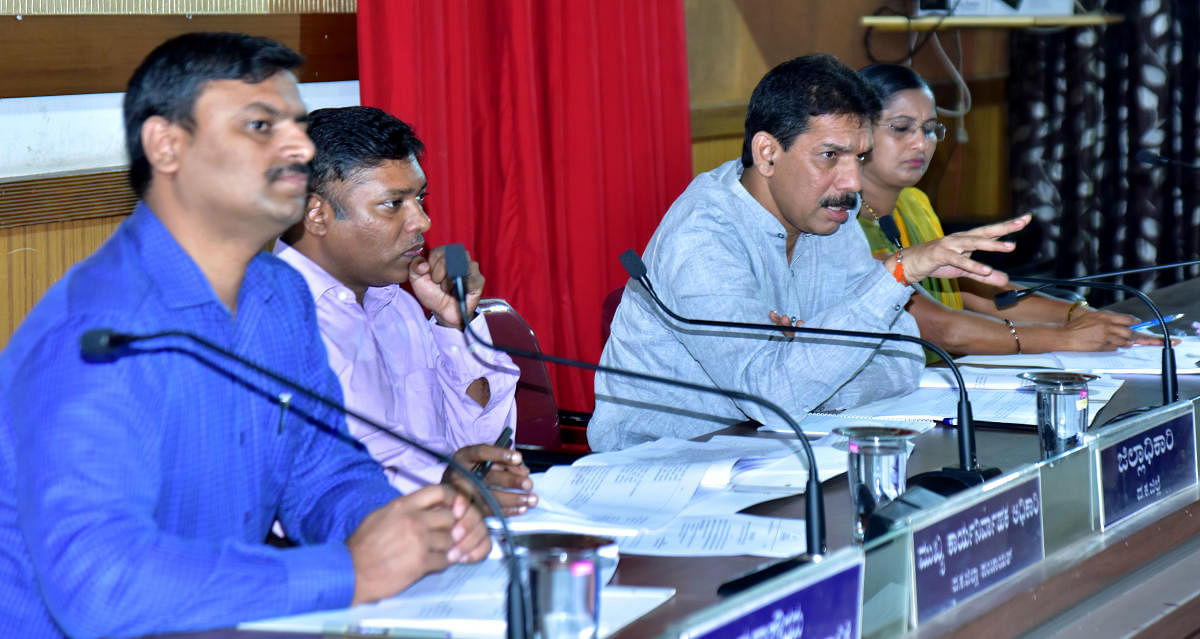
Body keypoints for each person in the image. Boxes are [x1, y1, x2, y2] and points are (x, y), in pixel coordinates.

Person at [0, 33, 489, 639]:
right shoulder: (96, 333)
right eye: (261, 126)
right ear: (168, 145)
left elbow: (321, 473)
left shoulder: (277, 295)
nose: (296, 147)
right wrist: (349, 569)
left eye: (296, 124)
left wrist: (404, 526)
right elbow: (102, 586)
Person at [589, 54, 1029, 451]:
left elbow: (904, 356)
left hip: (776, 454)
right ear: (767, 153)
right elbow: (772, 398)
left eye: (858, 158)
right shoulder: (703, 238)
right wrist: (893, 276)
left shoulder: (828, 214)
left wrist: (805, 366)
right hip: (660, 471)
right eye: (830, 156)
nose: (852, 183)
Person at [275, 106, 535, 515]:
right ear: (316, 213)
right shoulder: (271, 321)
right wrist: (444, 486)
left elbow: (486, 447)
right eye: (393, 204)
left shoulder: (397, 304)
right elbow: (304, 495)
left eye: (420, 197)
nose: (423, 221)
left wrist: (455, 325)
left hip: (448, 534)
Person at [856, 63, 1159, 356]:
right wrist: (1066, 337)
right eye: (901, 128)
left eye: (930, 129)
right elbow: (939, 328)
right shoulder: (841, 224)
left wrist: (1080, 316)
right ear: (858, 131)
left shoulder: (913, 203)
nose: (921, 143)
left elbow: (975, 291)